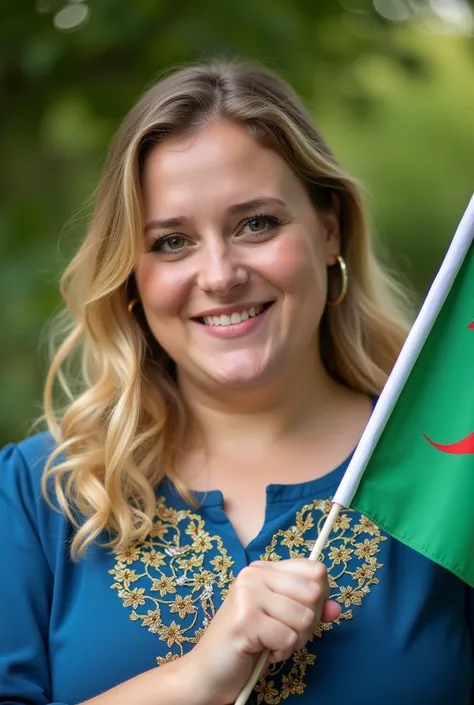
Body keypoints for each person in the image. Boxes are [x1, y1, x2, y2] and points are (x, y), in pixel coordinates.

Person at [0, 59, 472, 705]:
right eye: (171, 241)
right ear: (130, 274)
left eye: (257, 223)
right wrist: (196, 678)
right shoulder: (36, 496)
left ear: (328, 226)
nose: (220, 275)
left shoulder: (448, 477)